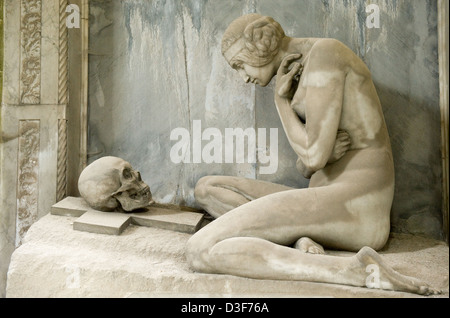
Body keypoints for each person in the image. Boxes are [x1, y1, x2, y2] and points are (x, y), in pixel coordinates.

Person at [185, 14, 439, 295]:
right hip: (322, 196)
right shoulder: (298, 71)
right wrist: (317, 158)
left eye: (239, 65)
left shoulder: (326, 55)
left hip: (358, 206)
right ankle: (299, 237)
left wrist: (281, 103)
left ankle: (353, 270)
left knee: (200, 249)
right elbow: (308, 165)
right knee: (207, 188)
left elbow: (314, 158)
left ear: (258, 45)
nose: (243, 77)